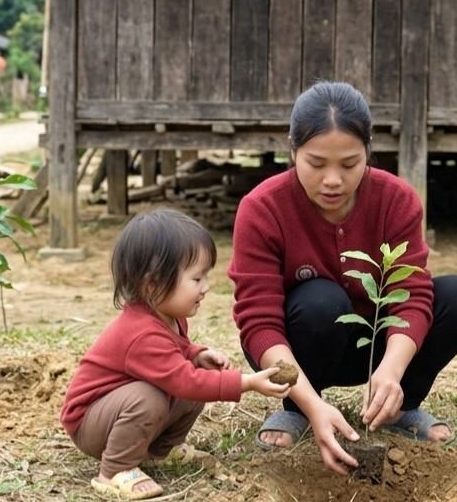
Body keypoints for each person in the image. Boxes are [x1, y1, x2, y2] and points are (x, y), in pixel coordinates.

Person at [229, 80, 457, 475]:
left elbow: (410, 295)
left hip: (378, 349)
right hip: (302, 345)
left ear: (367, 151)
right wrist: (314, 407)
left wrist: (392, 371)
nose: (333, 180)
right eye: (315, 164)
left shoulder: (396, 200)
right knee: (320, 303)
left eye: (349, 164)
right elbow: (259, 321)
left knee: (456, 297)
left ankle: (397, 406)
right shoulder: (262, 209)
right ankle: (298, 409)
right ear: (292, 149)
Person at [61, 209, 292, 500]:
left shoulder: (169, 315)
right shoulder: (141, 332)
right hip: (90, 423)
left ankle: (162, 450)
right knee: (153, 397)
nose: (206, 287)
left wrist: (196, 354)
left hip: (116, 411)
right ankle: (115, 470)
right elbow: (183, 380)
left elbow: (174, 353)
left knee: (192, 380)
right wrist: (246, 382)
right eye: (196, 279)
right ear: (153, 284)